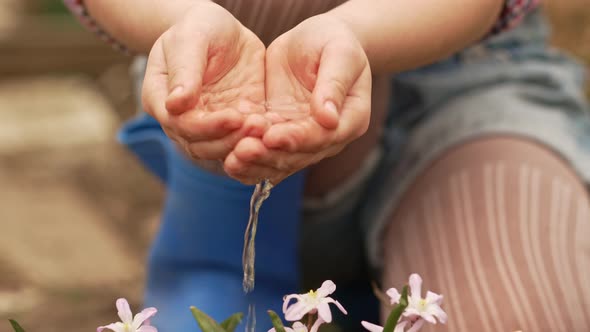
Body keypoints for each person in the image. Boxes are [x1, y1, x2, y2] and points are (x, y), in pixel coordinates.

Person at [65, 0, 590, 331]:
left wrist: (353, 36)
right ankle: (220, 263)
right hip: (222, 75)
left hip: (475, 84)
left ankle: (370, 287)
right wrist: (183, 26)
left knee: (523, 317)